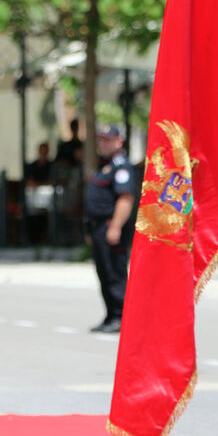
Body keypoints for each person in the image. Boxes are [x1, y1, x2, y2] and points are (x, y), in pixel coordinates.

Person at [84, 124, 136, 333]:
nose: (103, 143)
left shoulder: (122, 167)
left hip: (110, 228)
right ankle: (110, 315)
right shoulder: (105, 165)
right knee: (104, 273)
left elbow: (125, 199)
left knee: (115, 273)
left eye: (107, 139)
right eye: (101, 139)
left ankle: (121, 316)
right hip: (98, 228)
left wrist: (115, 227)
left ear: (119, 141)